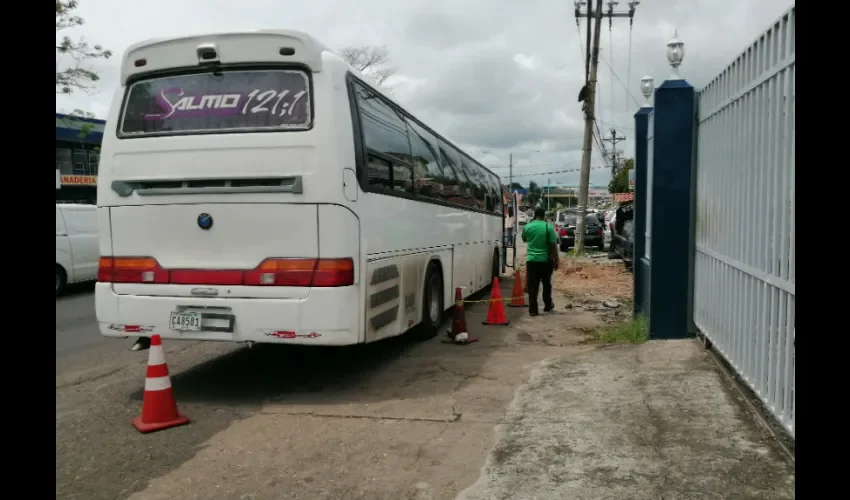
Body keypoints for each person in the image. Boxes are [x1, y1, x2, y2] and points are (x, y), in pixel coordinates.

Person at [521, 207, 559, 316]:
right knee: (546, 284)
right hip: (545, 261)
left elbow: (524, 239)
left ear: (534, 215)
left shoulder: (527, 227)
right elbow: (553, 245)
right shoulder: (548, 227)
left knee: (532, 285)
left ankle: (533, 310)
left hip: (531, 260)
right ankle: (547, 305)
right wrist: (556, 260)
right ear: (544, 216)